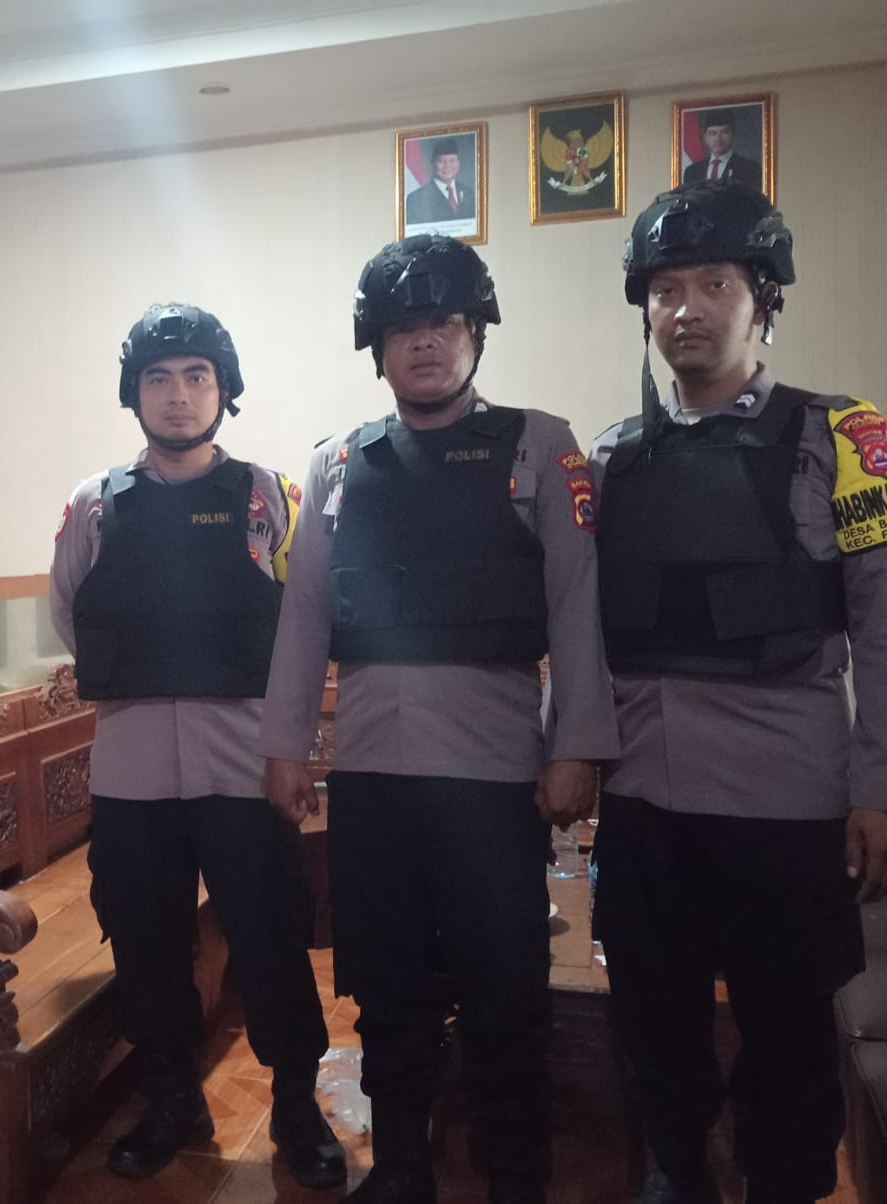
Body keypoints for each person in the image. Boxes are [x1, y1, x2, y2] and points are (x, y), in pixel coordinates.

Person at [261, 235, 619, 1204]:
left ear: (476, 334)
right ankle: (402, 1163)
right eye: (403, 328)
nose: (424, 342)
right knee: (386, 983)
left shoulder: (540, 444)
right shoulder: (336, 463)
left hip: (495, 775)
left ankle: (516, 1170)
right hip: (372, 776)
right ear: (376, 347)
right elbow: (304, 615)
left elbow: (575, 603)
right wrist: (284, 747)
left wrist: (577, 745)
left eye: (444, 323)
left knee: (505, 982)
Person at [590, 180, 887, 1204]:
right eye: (666, 289)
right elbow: (584, 629)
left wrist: (884, 790)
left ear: (762, 299)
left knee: (786, 1026)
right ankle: (674, 1166)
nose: (686, 308)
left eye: (715, 284)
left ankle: (785, 1180)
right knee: (654, 1015)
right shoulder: (610, 456)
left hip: (786, 801)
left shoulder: (846, 434)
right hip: (644, 799)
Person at [48, 303, 346, 1189]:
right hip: (132, 769)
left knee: (271, 934)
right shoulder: (94, 504)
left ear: (223, 390)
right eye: (158, 378)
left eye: (196, 377)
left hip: (245, 764)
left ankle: (295, 1103)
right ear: (134, 392)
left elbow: (305, 618)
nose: (177, 395)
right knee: (144, 941)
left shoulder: (269, 496)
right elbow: (71, 614)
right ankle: (173, 1098)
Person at [680, 108, 762, 187]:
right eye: (713, 133)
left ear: (733, 134)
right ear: (705, 137)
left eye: (724, 132)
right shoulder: (692, 171)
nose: (718, 139)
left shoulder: (750, 169)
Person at [405, 138, 477, 225]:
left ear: (458, 162)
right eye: (441, 161)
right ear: (432, 163)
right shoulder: (416, 199)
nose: (447, 166)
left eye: (452, 160)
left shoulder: (469, 193)